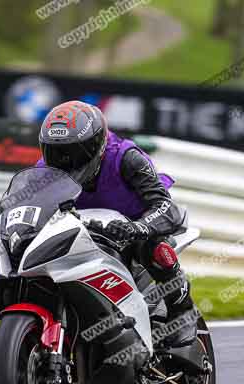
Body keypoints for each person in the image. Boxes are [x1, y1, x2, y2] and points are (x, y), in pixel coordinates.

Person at [36, 100, 196, 347]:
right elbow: (29, 210)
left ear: (98, 145)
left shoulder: (126, 157)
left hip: (132, 231)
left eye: (75, 152)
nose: (66, 161)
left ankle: (182, 311)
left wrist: (139, 227)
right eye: (56, 153)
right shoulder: (44, 171)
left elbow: (166, 206)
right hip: (82, 235)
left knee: (153, 247)